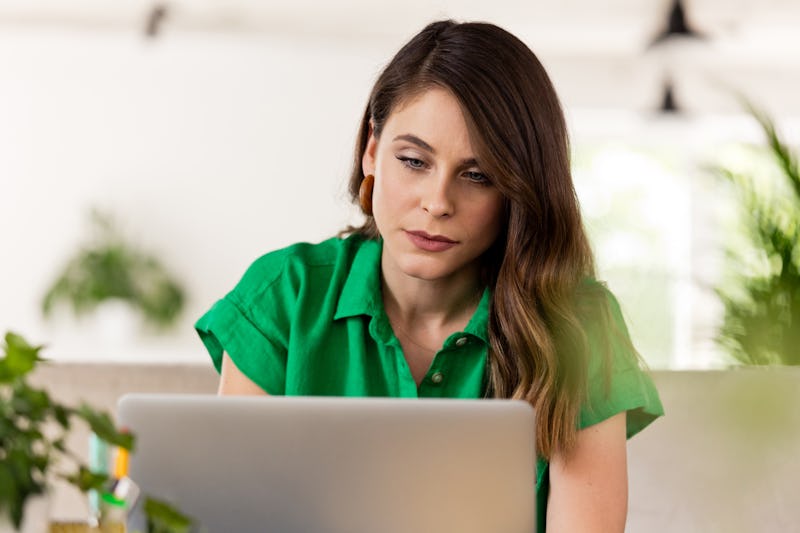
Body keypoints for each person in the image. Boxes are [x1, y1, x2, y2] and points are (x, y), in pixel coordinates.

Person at [195, 19, 663, 532]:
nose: (438, 203)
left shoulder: (576, 325)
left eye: (478, 176)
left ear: (518, 192)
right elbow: (229, 517)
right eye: (414, 160)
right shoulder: (286, 295)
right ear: (371, 150)